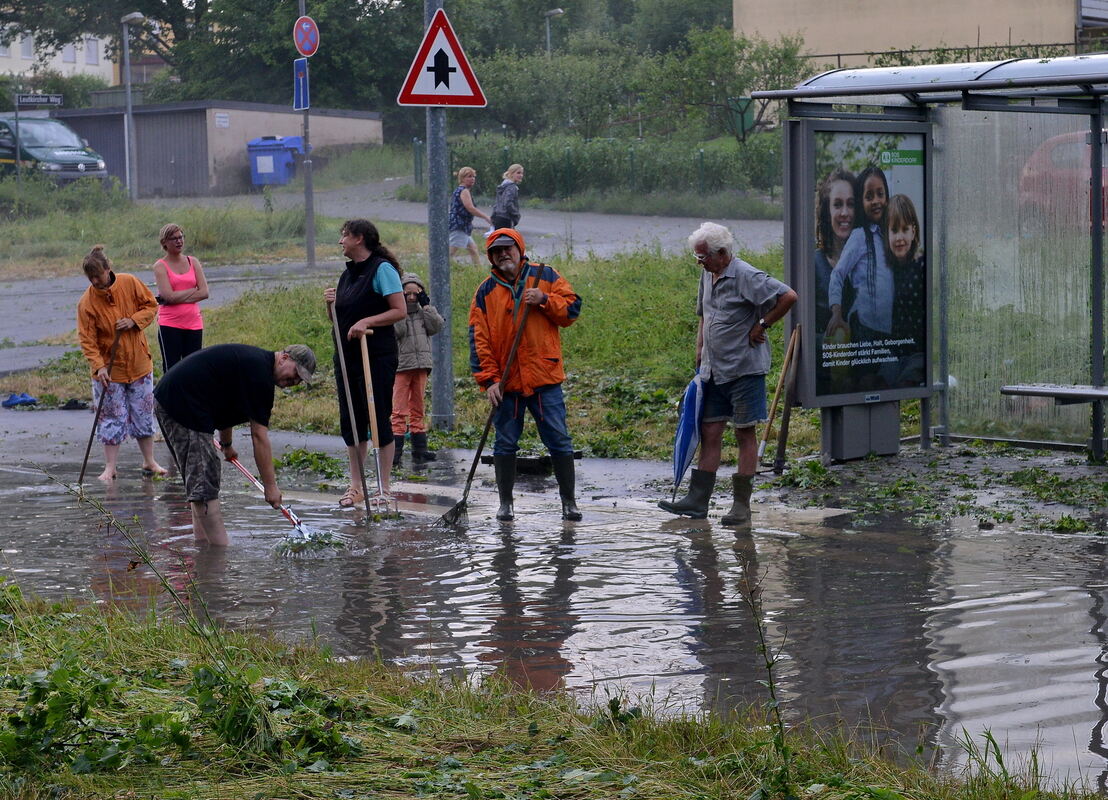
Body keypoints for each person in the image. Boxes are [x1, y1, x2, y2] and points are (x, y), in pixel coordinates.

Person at [658, 222, 797, 526]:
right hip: (713, 370)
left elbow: (788, 296)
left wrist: (762, 325)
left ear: (721, 254)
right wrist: (699, 351)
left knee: (744, 432)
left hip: (744, 370)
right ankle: (697, 501)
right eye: (697, 257)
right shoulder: (707, 274)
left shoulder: (746, 274)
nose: (699, 262)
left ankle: (741, 506)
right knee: (709, 431)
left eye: (703, 256)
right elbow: (704, 315)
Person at [468, 227, 582, 521]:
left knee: (559, 440)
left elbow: (572, 310)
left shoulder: (546, 276)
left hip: (544, 377)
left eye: (509, 248)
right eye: (497, 251)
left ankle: (569, 503)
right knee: (505, 443)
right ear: (491, 257)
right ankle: (505, 504)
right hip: (507, 384)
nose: (504, 254)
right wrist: (489, 380)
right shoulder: (484, 292)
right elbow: (478, 339)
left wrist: (544, 299)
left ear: (519, 249)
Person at [154, 343, 316, 546]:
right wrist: (271, 487)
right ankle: (218, 557)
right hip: (183, 403)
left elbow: (226, 403)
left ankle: (203, 547)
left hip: (172, 398)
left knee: (200, 485)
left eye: (300, 380)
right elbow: (259, 437)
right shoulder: (260, 376)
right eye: (296, 373)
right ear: (284, 358)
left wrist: (226, 443)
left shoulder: (254, 366)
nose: (295, 381)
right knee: (205, 482)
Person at [323, 219, 406, 508]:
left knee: (377, 417)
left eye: (344, 236)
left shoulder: (382, 269)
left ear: (359, 238)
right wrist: (330, 307)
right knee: (352, 422)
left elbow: (399, 310)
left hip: (376, 356)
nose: (340, 241)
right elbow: (340, 322)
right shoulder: (347, 276)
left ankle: (384, 488)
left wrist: (367, 321)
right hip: (347, 359)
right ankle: (356, 486)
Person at [76, 245, 167, 482]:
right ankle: (110, 467)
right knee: (111, 417)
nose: (96, 281)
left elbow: (151, 305)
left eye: (99, 275)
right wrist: (99, 366)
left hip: (138, 364)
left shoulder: (129, 282)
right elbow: (88, 340)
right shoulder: (86, 303)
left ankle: (149, 461)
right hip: (109, 370)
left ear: (108, 269)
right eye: (91, 277)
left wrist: (133, 321)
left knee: (143, 413)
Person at [825, 165, 893, 344]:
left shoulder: (889, 236)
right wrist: (837, 313)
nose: (876, 201)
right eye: (869, 196)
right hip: (865, 327)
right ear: (861, 203)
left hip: (890, 330)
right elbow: (838, 274)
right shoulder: (860, 236)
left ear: (887, 196)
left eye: (880, 194)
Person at [391, 272, 445, 466]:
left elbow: (437, 326)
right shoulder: (396, 312)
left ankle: (419, 449)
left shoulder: (424, 313)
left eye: (416, 294)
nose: (412, 298)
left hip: (421, 365)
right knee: (399, 410)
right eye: (407, 294)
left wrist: (427, 305)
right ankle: (395, 451)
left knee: (418, 407)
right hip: (401, 367)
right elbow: (399, 331)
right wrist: (401, 309)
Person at [153, 223, 209, 371]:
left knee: (193, 367)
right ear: (164, 242)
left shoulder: (193, 261)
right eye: (174, 239)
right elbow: (168, 296)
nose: (179, 241)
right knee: (172, 368)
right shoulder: (160, 266)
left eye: (181, 237)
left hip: (194, 323)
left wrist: (178, 296)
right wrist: (192, 290)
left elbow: (204, 292)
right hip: (170, 324)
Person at [885, 194, 926, 387]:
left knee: (906, 382)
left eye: (904, 230)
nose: (899, 237)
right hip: (892, 351)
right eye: (894, 230)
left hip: (918, 351)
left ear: (913, 231)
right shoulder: (885, 267)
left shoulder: (922, 264)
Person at [814, 168, 855, 335]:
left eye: (851, 204)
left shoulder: (872, 262)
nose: (845, 213)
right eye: (837, 204)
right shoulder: (814, 264)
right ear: (826, 211)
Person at [449, 167, 493, 266]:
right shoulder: (464, 191)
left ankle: (478, 270)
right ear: (462, 178)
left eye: (473, 176)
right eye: (469, 176)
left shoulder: (459, 190)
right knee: (451, 251)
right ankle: (440, 268)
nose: (472, 179)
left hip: (463, 226)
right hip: (460, 225)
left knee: (473, 249)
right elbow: (470, 208)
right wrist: (486, 217)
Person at [490, 164, 524, 230]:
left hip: (497, 217)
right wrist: (516, 215)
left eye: (522, 173)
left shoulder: (503, 186)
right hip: (506, 219)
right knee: (508, 239)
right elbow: (508, 203)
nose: (521, 175)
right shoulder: (512, 187)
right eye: (518, 173)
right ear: (511, 173)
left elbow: (497, 203)